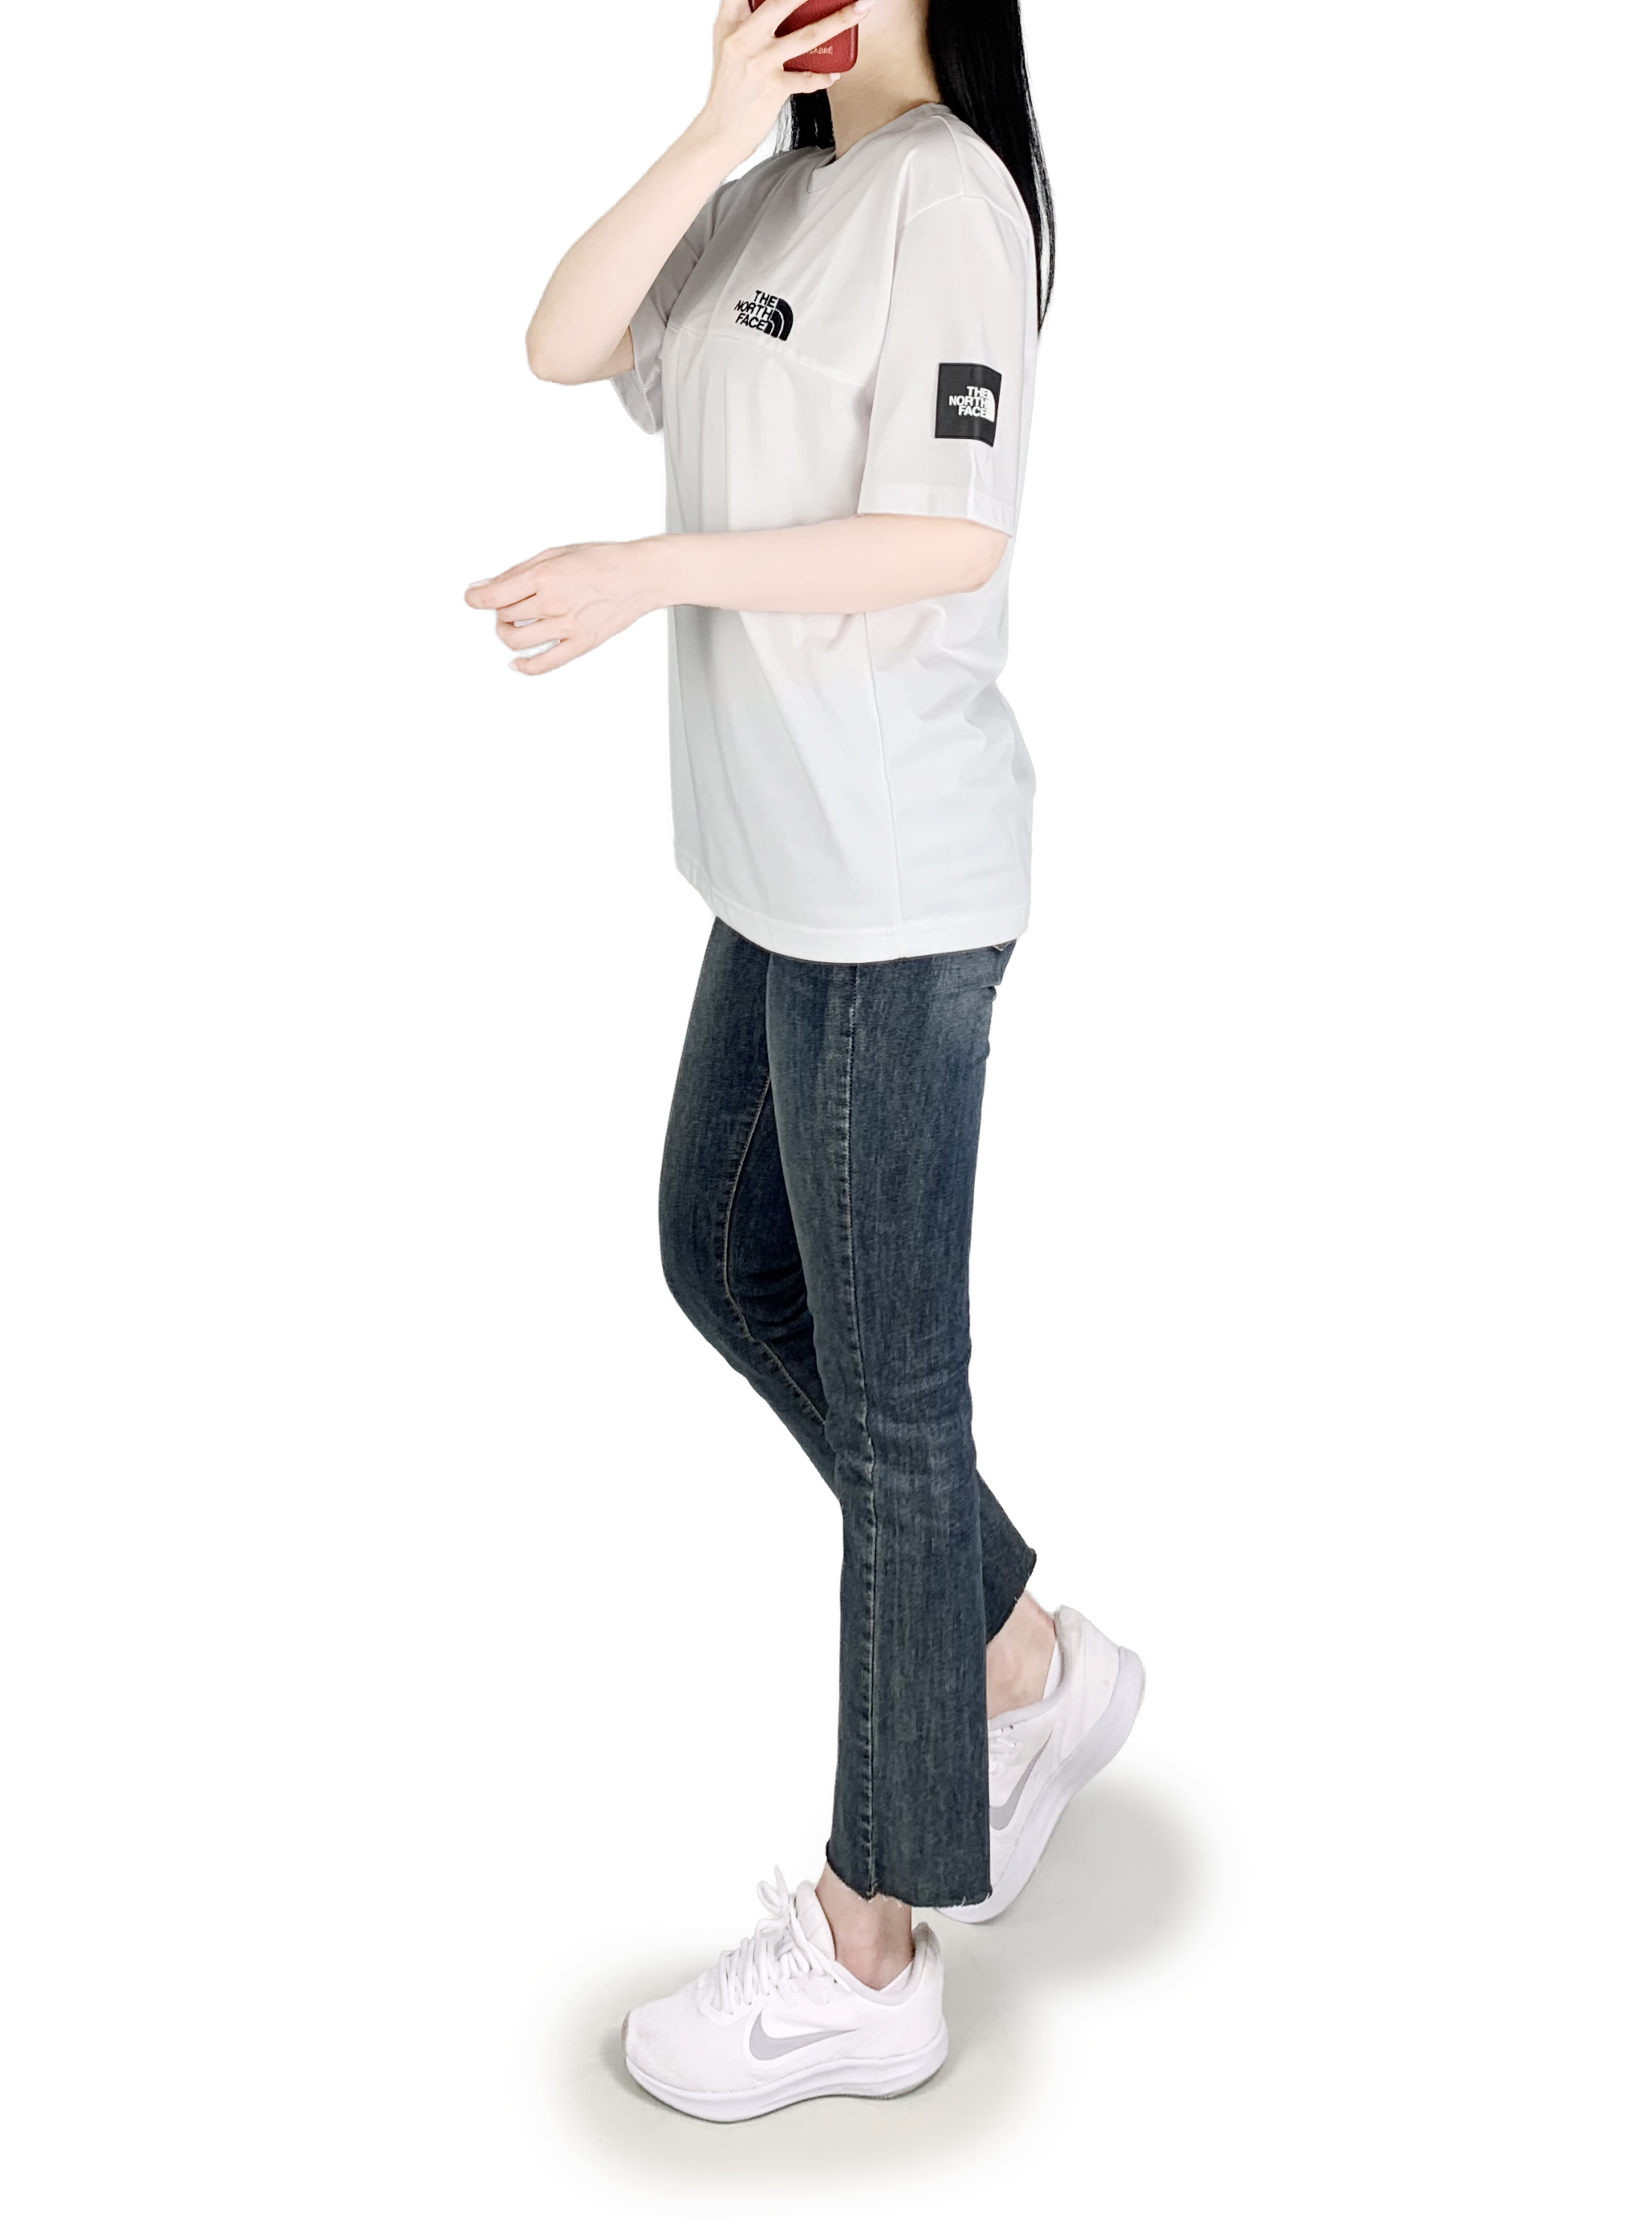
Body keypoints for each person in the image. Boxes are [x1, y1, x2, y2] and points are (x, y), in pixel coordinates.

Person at [464, 0, 1143, 2123]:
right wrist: (710, 129)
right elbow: (565, 341)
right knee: (721, 1256)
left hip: (895, 883)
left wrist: (647, 573)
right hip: (772, 867)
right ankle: (1020, 1658)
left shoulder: (950, 200)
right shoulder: (776, 187)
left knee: (898, 1409)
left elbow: (946, 536)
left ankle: (869, 1950)